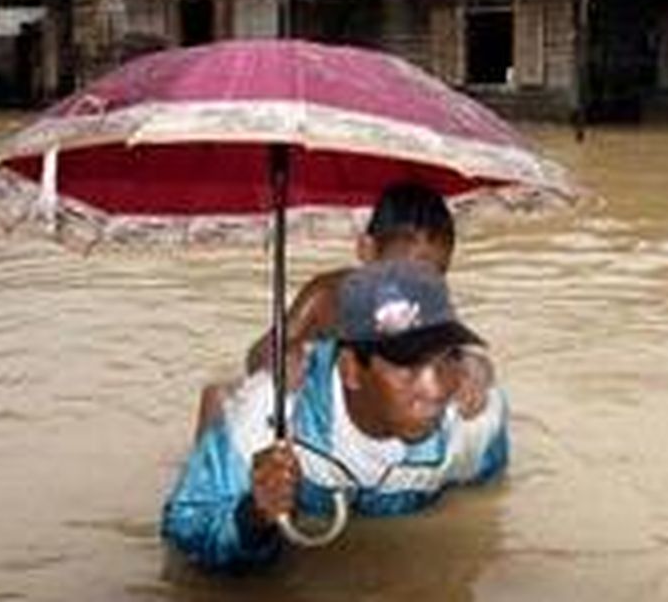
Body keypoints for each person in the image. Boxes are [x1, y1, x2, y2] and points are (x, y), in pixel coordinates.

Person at [163, 259, 509, 572]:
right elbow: (186, 529)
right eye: (408, 366)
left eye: (449, 358)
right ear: (350, 370)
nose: (436, 390)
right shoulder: (273, 413)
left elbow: (484, 504)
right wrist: (253, 516)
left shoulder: (472, 419)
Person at [193, 182, 492, 439]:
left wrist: (476, 368)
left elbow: (459, 356)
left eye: (432, 277)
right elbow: (257, 355)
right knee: (217, 396)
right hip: (315, 405)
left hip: (370, 419)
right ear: (367, 250)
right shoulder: (327, 295)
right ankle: (206, 474)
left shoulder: (429, 309)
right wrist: (283, 355)